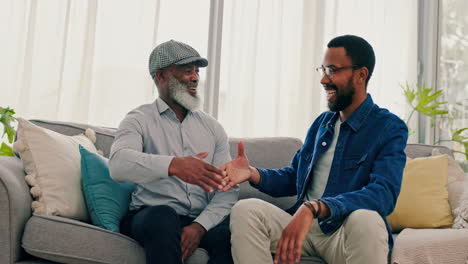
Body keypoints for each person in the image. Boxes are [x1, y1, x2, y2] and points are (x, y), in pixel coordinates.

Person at [222, 35, 408, 264]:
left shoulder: (388, 127)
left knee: (367, 220)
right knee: (246, 209)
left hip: (344, 233)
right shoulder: (322, 124)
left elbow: (383, 194)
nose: (323, 80)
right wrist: (252, 173)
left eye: (332, 70)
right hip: (305, 230)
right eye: (322, 69)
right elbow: (294, 177)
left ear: (361, 75)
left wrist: (317, 208)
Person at [109, 40, 239, 264]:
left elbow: (226, 190)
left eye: (197, 71)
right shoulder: (138, 119)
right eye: (187, 71)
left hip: (199, 219)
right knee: (163, 216)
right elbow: (118, 164)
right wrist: (174, 165)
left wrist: (199, 227)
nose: (196, 78)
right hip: (150, 216)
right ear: (160, 76)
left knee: (229, 235)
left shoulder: (213, 128)